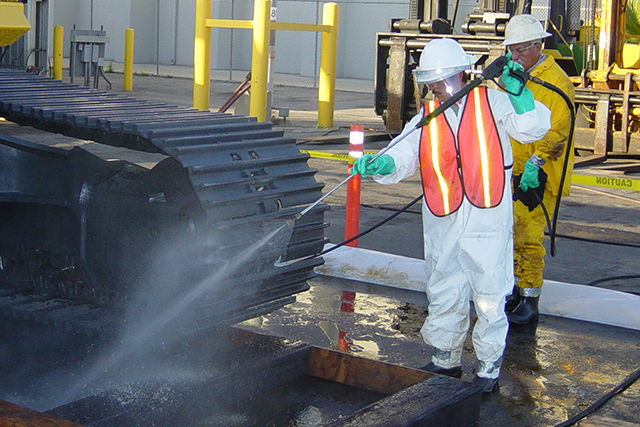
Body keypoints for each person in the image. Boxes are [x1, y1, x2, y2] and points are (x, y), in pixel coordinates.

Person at [350, 38, 551, 393]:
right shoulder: (427, 117)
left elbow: (532, 128)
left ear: (461, 74)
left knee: (489, 293)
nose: (440, 89)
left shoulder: (492, 101)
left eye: (445, 81)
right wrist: (382, 163)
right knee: (444, 288)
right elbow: (404, 153)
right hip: (443, 218)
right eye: (433, 83)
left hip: (486, 217)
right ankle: (446, 359)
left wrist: (522, 97)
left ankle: (488, 367)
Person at [502, 14, 575, 325]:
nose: (514, 57)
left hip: (539, 173)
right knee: (512, 233)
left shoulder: (557, 82)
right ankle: (517, 289)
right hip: (515, 169)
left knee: (529, 235)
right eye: (511, 51)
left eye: (519, 50)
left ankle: (530, 299)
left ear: (537, 46)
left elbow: (559, 130)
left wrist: (535, 163)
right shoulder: (519, 77)